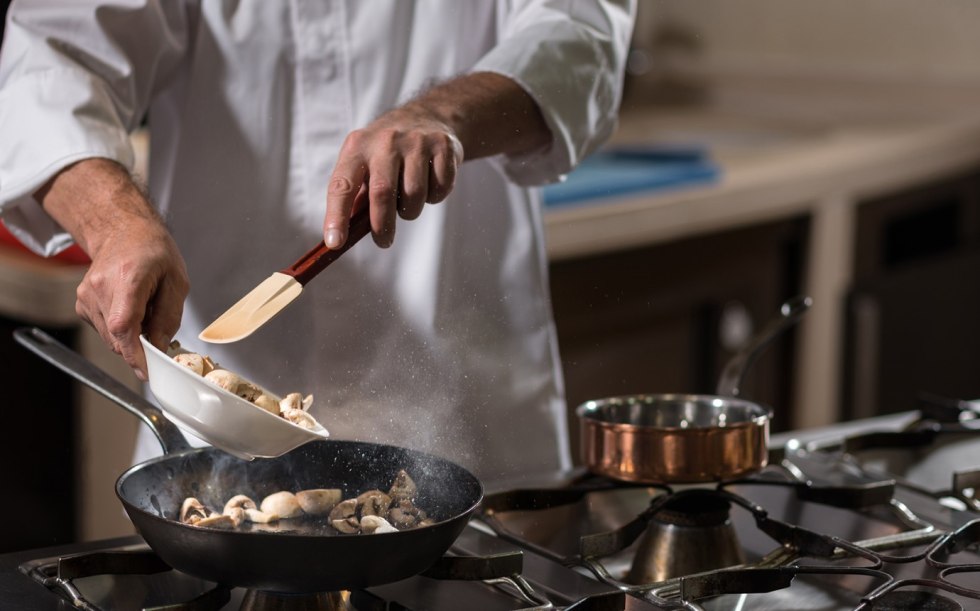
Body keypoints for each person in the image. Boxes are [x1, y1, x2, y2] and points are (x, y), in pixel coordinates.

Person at [0, 1, 635, 484]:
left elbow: (581, 34)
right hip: (221, 434)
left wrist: (445, 115)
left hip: (467, 425)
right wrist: (115, 225)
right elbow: (50, 60)